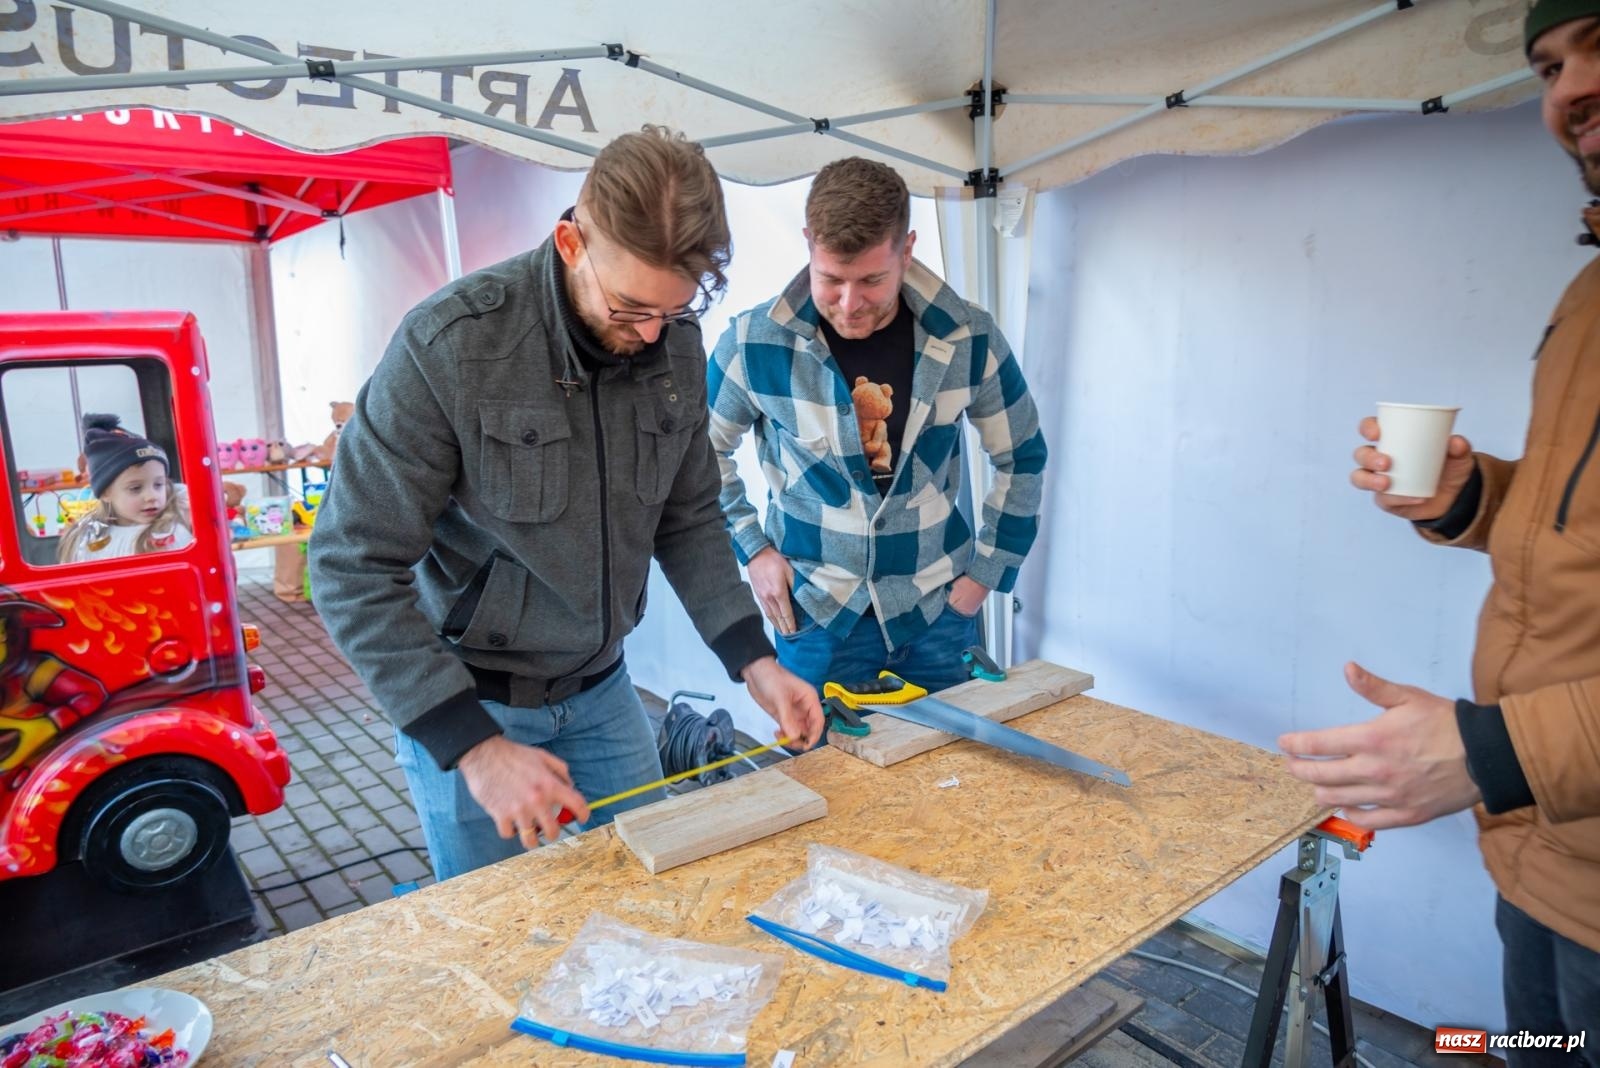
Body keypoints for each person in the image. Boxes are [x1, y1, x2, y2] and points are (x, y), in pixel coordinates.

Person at [309, 127, 824, 882]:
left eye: (673, 310)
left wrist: (752, 659)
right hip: (474, 704)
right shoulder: (449, 346)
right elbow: (350, 566)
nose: (651, 335)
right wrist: (475, 748)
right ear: (570, 242)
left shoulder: (672, 340)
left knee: (646, 902)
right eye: (629, 309)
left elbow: (686, 516)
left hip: (605, 693)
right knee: (505, 935)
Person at [1279, 2, 1600, 1049]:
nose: (1566, 92)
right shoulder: (1589, 291)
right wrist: (1468, 497)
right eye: (1551, 64)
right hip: (1549, 851)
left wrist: (1492, 748)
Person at [707, 157, 1047, 698]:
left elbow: (1022, 455)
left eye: (871, 280)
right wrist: (754, 548)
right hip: (816, 614)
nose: (849, 304)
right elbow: (700, 459)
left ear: (906, 249)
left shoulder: (969, 338)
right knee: (824, 781)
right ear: (807, 244)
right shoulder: (752, 346)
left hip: (938, 610)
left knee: (957, 778)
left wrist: (985, 575)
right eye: (831, 279)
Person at [57, 414, 192, 563]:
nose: (151, 496)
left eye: (158, 485)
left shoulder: (172, 526)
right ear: (105, 492)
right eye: (135, 488)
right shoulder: (87, 541)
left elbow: (189, 497)